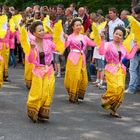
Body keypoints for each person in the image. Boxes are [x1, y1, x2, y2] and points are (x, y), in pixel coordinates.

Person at [99, 26, 138, 117]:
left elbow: (129, 56)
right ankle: (106, 99)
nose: (118, 36)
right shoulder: (108, 44)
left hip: (121, 70)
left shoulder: (123, 47)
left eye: (120, 35)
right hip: (110, 69)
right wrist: (102, 40)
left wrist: (136, 45)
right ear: (113, 34)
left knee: (120, 89)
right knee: (114, 89)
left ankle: (114, 110)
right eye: (116, 34)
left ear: (123, 37)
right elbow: (101, 52)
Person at [26, 21, 56, 122]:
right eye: (40, 30)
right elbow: (30, 60)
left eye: (43, 29)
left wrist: (61, 38)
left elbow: (60, 48)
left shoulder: (48, 42)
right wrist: (31, 49)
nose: (43, 32)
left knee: (48, 92)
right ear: (34, 33)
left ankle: (42, 112)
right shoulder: (31, 44)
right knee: (38, 93)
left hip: (49, 70)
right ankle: (33, 109)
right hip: (38, 71)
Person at [64, 18, 96, 103]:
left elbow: (94, 44)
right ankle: (73, 94)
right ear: (73, 27)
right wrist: (66, 39)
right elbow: (65, 46)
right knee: (75, 77)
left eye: (80, 25)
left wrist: (101, 39)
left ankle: (78, 93)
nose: (79, 27)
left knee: (83, 79)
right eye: (77, 25)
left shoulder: (84, 37)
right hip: (73, 58)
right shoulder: (70, 37)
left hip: (82, 58)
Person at [125, 5, 140, 94]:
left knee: (132, 69)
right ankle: (137, 85)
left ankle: (131, 88)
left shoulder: (136, 22)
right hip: (137, 48)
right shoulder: (135, 22)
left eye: (133, 12)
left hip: (136, 48)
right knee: (137, 69)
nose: (132, 14)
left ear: (137, 14)